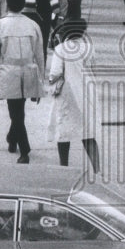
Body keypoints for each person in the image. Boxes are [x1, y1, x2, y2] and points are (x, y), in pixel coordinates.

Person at [0, 0, 46, 164]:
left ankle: (24, 149)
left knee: (15, 112)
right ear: (24, 5)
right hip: (28, 70)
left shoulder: (0, 25)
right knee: (18, 111)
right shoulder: (33, 25)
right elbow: (40, 54)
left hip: (9, 72)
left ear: (7, 4)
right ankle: (12, 138)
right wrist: (41, 77)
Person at [47, 20, 100, 172]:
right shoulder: (89, 48)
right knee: (88, 132)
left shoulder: (61, 49)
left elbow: (56, 73)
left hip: (68, 92)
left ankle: (64, 167)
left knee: (64, 130)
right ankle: (97, 169)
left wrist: (50, 81)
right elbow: (92, 69)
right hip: (87, 90)